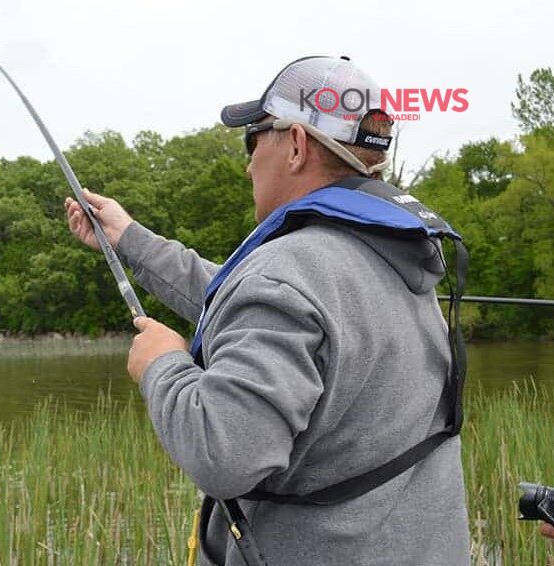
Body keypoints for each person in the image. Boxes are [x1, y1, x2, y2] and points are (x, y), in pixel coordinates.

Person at [65, 56, 470, 565]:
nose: (248, 161)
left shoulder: (290, 271)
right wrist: (130, 240)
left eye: (253, 138)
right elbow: (250, 302)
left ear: (296, 145)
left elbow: (224, 454)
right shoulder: (396, 253)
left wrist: (162, 365)